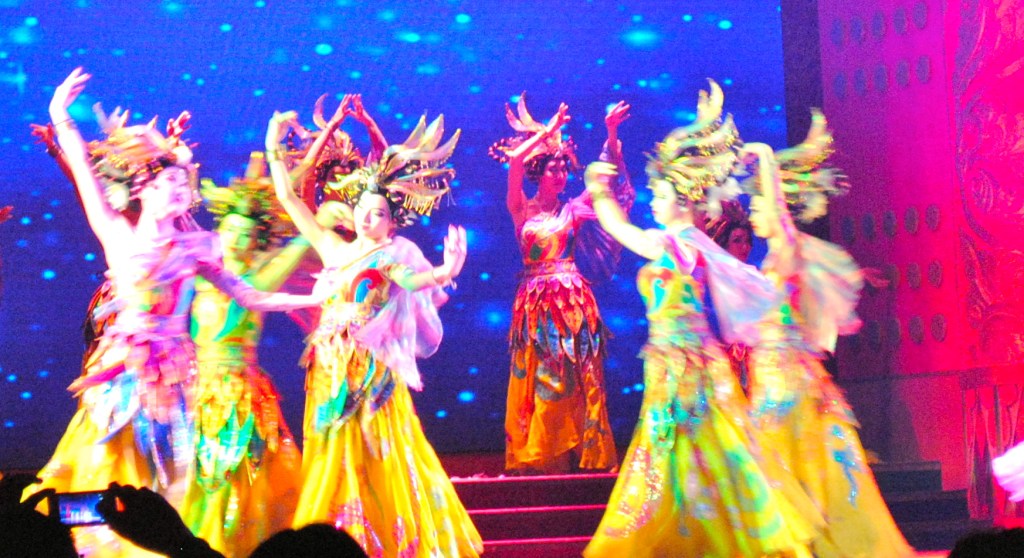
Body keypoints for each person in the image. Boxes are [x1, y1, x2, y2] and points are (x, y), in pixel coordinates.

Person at [35, 68, 326, 557]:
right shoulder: (117, 233)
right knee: (107, 463)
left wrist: (315, 298)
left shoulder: (196, 248)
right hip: (122, 373)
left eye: (181, 183)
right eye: (168, 182)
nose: (178, 189)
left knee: (177, 476)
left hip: (177, 377)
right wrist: (60, 115)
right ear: (144, 190)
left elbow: (250, 296)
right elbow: (84, 171)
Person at [581, 80, 816, 557]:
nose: (652, 200)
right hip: (679, 362)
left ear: (683, 199)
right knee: (696, 453)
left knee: (685, 451)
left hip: (683, 367)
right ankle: (700, 536)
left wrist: (597, 190)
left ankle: (698, 539)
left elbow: (623, 231)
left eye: (658, 193)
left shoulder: (677, 242)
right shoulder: (692, 242)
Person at [267, 104, 482, 557]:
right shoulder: (333, 248)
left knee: (374, 442)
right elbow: (288, 198)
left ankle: (380, 534)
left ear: (391, 222)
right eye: (363, 211)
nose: (367, 219)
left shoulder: (390, 256)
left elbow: (412, 281)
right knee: (332, 443)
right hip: (329, 364)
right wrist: (272, 143)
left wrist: (445, 270)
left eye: (378, 214)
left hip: (371, 367)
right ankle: (331, 531)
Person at [740, 110, 913, 557]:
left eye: (758, 208)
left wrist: (765, 158)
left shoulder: (787, 249)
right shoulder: (774, 258)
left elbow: (779, 217)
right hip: (770, 372)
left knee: (795, 459)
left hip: (789, 378)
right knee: (779, 463)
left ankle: (814, 542)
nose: (753, 216)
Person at [181, 150, 352, 558]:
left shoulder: (257, 277)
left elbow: (289, 256)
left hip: (239, 391)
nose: (236, 240)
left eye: (246, 234)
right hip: (193, 388)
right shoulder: (201, 268)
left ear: (257, 241)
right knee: (193, 474)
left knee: (238, 473)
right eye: (230, 230)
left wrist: (320, 220)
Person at [488, 94, 631, 474]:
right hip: (535, 305)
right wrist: (548, 132)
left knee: (581, 375)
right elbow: (514, 162)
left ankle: (585, 456)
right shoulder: (521, 208)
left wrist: (611, 133)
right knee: (543, 377)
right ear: (539, 172)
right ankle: (544, 456)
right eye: (552, 168)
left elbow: (606, 178)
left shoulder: (573, 209)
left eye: (563, 168)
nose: (560, 174)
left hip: (573, 304)